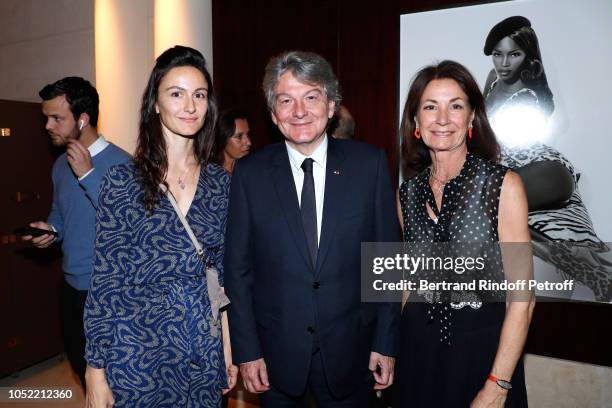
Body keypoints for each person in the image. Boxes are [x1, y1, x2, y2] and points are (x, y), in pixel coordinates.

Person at [224, 51, 400, 407]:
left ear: (332, 105)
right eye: (286, 100)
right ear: (274, 114)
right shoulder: (250, 175)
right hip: (274, 358)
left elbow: (387, 262)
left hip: (354, 353)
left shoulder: (370, 165)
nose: (299, 111)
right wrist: (247, 351)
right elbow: (238, 270)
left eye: (311, 97)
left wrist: (385, 342)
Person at [83, 46, 237, 407]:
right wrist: (95, 369)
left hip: (202, 348)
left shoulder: (221, 183)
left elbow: (221, 275)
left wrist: (227, 347)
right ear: (155, 103)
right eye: (176, 94)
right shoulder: (122, 181)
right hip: (138, 353)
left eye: (199, 95)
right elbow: (107, 279)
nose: (190, 106)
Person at [395, 60, 535, 407]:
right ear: (415, 121)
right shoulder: (405, 195)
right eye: (430, 107)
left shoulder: (502, 186)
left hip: (483, 358)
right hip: (417, 359)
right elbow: (407, 287)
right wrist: (391, 351)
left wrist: (498, 385)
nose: (442, 118)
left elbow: (523, 298)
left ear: (471, 117)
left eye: (455, 106)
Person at [483, 16, 610, 302]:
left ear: (528, 55)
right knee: (505, 216)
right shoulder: (492, 81)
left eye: (514, 54)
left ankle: (596, 273)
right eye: (497, 54)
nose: (504, 63)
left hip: (542, 168)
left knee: (499, 204)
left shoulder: (530, 92)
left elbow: (524, 136)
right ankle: (596, 274)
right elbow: (481, 126)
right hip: (505, 168)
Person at [22, 76, 130, 389]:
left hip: (111, 295)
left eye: (57, 118)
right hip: (70, 289)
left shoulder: (124, 165)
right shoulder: (59, 165)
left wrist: (89, 175)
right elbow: (61, 214)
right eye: (46, 118)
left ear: (82, 120)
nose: (48, 126)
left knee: (116, 385)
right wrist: (52, 230)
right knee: (84, 376)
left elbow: (129, 227)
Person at [212, 108, 252, 173]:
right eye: (238, 137)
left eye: (248, 134)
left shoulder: (252, 169)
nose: (249, 143)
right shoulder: (209, 176)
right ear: (222, 139)